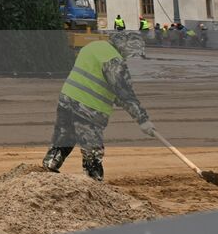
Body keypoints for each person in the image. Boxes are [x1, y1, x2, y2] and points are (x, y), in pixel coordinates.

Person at [43, 31, 154, 182]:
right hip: (88, 108)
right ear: (125, 46)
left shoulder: (93, 46)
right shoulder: (113, 60)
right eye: (132, 53)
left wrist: (122, 101)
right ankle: (94, 184)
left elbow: (102, 82)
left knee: (64, 137)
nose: (130, 57)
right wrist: (142, 119)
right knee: (92, 151)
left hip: (67, 99)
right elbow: (124, 92)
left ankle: (48, 169)